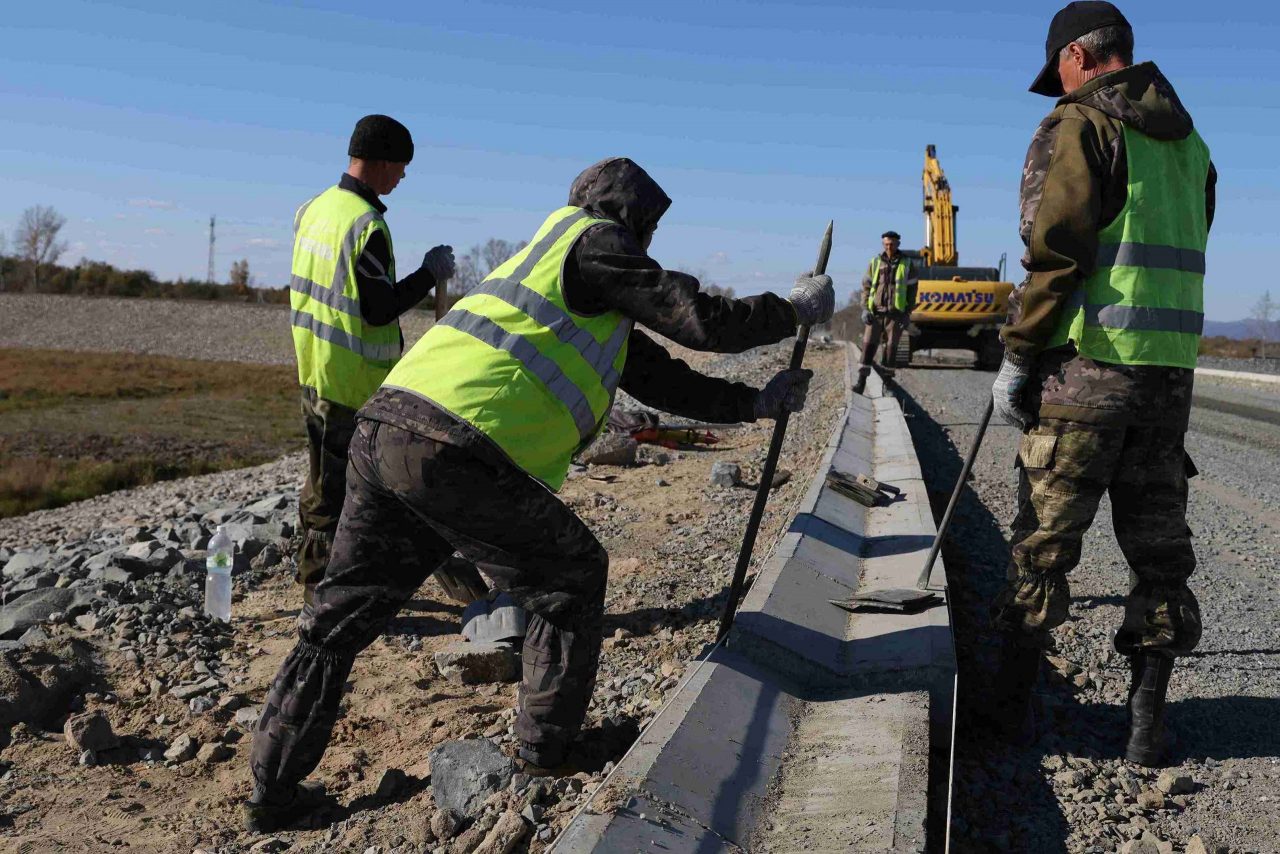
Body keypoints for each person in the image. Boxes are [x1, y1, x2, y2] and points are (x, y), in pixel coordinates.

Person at [244, 157, 835, 830]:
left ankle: (273, 791)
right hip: (455, 448)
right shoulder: (590, 240)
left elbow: (659, 376)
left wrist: (753, 402)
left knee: (335, 620)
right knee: (570, 574)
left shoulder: (556, 278)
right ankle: (543, 754)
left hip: (387, 432)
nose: (646, 241)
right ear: (624, 215)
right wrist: (791, 311)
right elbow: (697, 317)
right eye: (646, 225)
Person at [987, 2, 1215, 767]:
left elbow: (1055, 251)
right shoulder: (1191, 145)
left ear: (1080, 58)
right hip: (1166, 384)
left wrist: (1020, 355)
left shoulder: (1080, 127)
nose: (1057, 82)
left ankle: (1006, 720)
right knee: (1159, 556)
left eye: (1058, 69)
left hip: (1086, 375)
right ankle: (1147, 728)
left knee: (1042, 549)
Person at [290, 114, 456, 606]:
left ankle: (323, 585)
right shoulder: (368, 226)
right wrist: (429, 273)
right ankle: (321, 599)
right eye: (401, 167)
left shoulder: (313, 210)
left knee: (321, 481)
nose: (402, 177)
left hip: (314, 369)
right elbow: (378, 308)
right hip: (351, 382)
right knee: (335, 494)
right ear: (382, 162)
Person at [854, 230, 917, 394]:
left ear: (898, 244)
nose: (889, 247)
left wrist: (907, 313)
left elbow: (912, 290)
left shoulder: (907, 263)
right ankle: (860, 382)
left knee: (891, 349)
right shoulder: (875, 262)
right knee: (868, 347)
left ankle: (888, 384)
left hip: (895, 315)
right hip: (875, 314)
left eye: (892, 244)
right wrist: (865, 309)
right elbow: (866, 287)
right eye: (886, 244)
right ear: (883, 244)